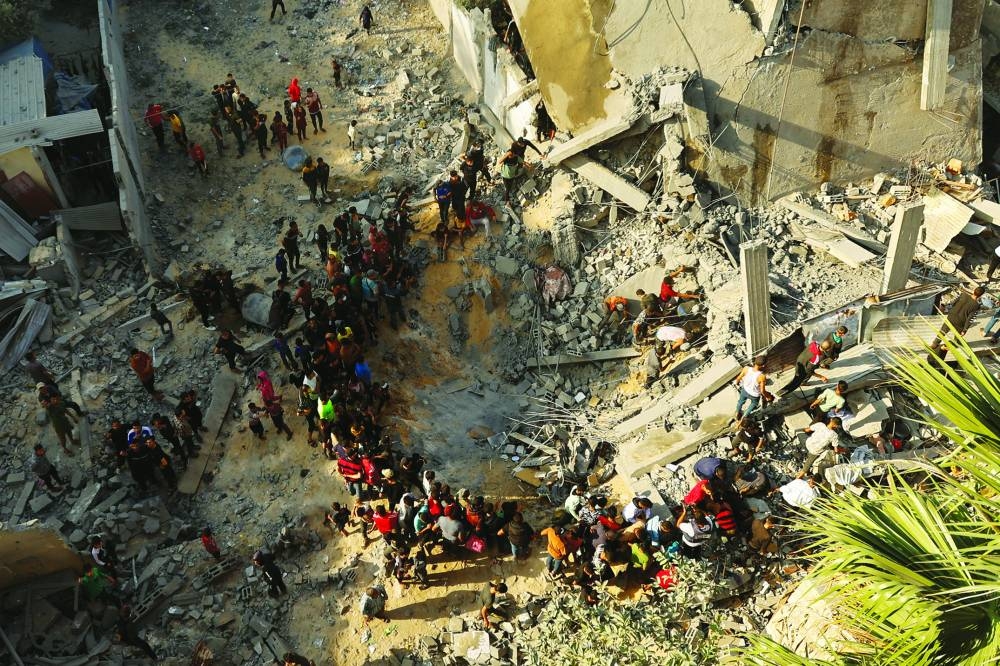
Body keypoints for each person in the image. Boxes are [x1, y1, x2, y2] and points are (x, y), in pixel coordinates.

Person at [931, 286, 984, 358]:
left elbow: (952, 302)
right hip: (960, 322)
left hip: (951, 316)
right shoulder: (976, 306)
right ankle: (951, 345)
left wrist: (944, 306)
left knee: (943, 331)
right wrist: (965, 330)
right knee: (958, 335)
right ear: (981, 295)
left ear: (974, 290)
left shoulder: (963, 295)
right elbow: (970, 319)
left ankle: (935, 344)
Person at [734, 355, 772, 422]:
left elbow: (738, 378)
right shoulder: (762, 376)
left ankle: (737, 413)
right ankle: (744, 417)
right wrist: (768, 396)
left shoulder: (746, 368)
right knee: (753, 405)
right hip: (754, 395)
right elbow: (762, 391)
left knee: (740, 402)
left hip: (745, 390)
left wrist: (736, 383)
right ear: (763, 365)